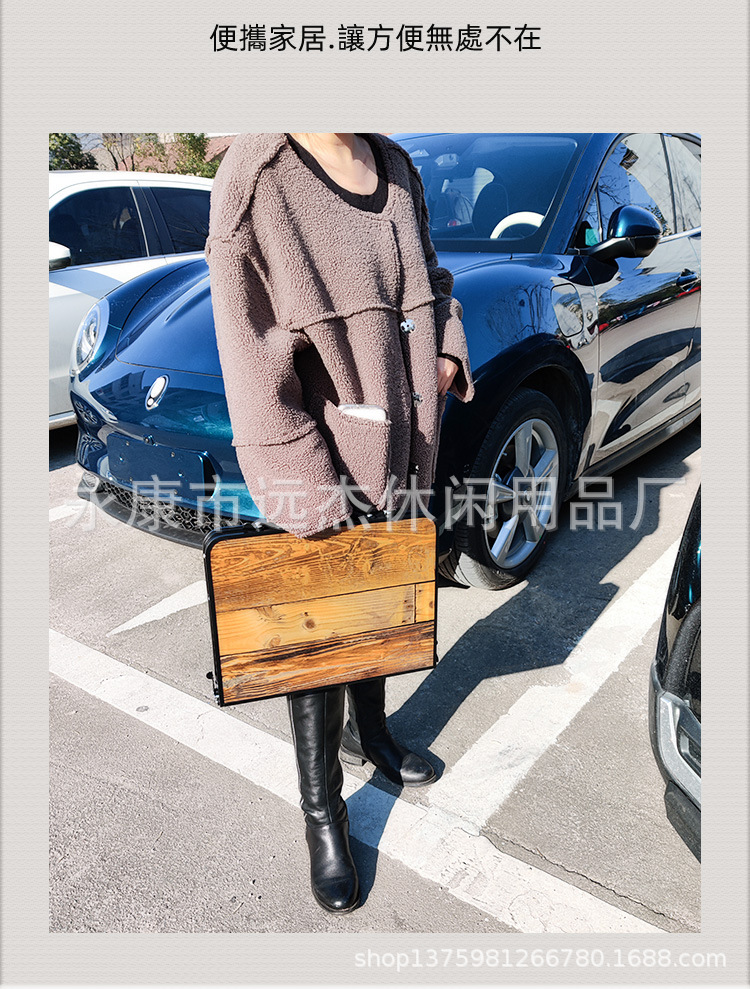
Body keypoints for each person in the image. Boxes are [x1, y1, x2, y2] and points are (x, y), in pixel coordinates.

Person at [205, 132, 475, 914]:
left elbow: (434, 278)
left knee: (379, 603)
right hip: (324, 457)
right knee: (320, 636)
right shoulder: (258, 176)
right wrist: (308, 494)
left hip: (406, 446)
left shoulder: (395, 164)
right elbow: (251, 364)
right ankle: (323, 812)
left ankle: (373, 734)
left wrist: (447, 351)